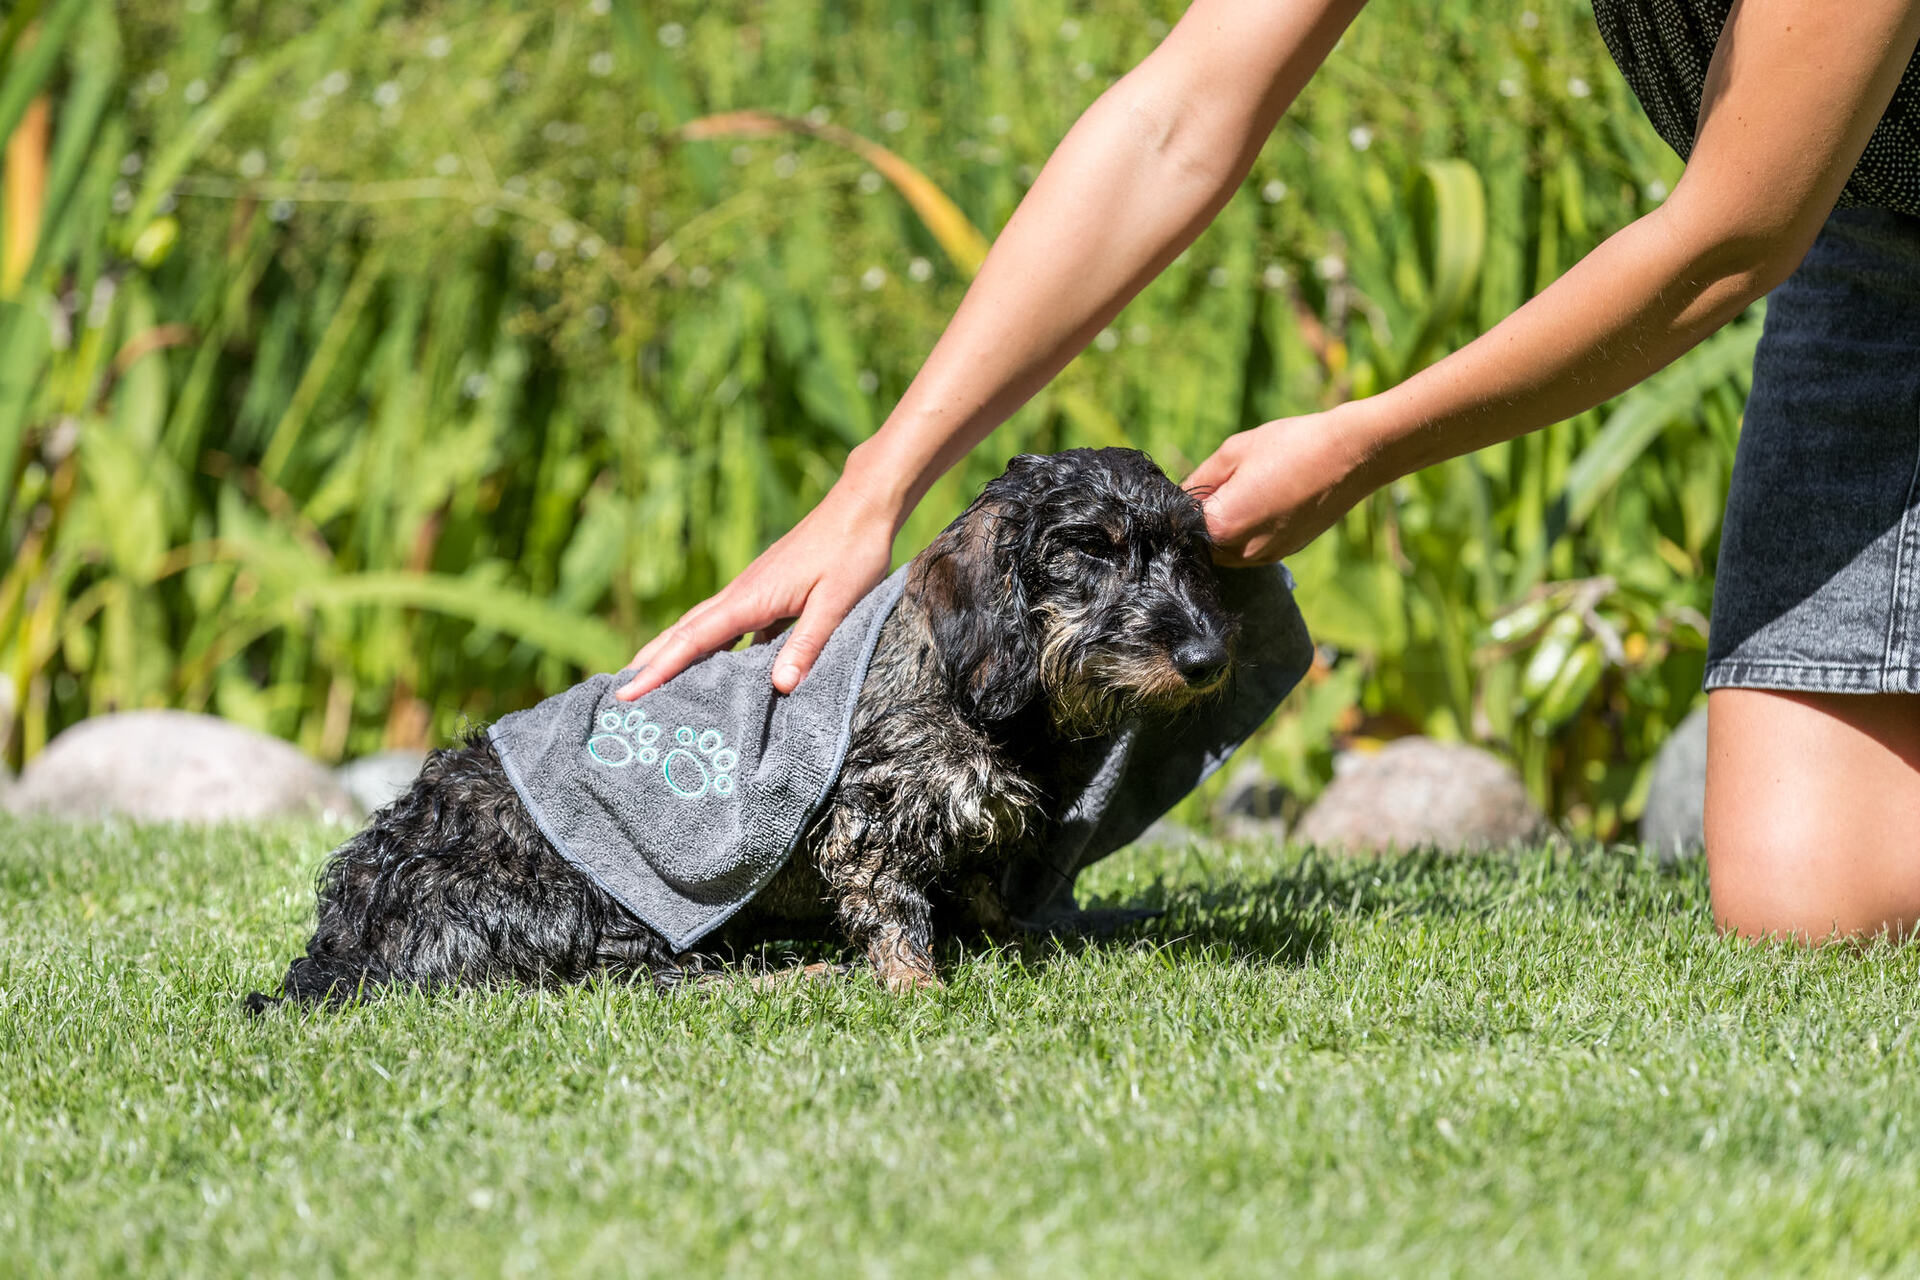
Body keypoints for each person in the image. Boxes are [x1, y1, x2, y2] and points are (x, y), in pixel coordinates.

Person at [618, 0, 1920, 942]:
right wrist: (879, 478)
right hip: (1876, 240)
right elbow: (1180, 115)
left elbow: (1727, 237)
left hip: (1800, 224)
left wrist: (1369, 440)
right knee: (1816, 910)